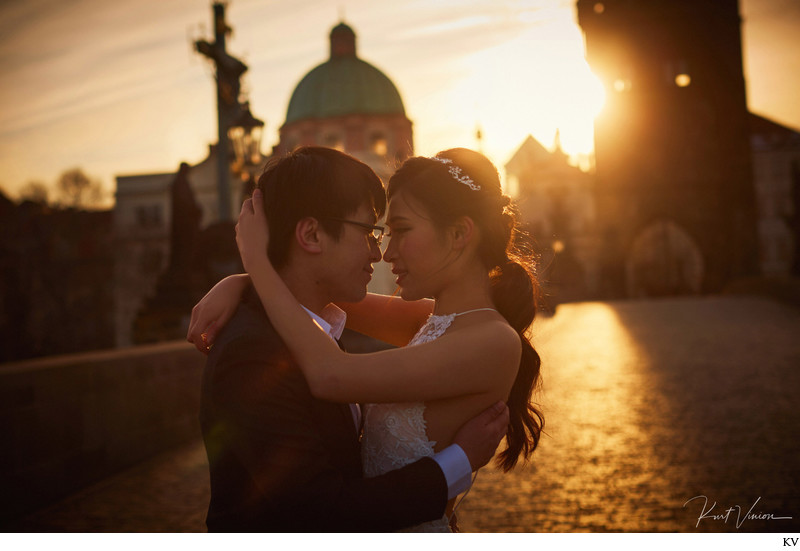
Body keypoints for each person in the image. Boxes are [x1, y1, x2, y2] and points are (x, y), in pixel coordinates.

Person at [190, 146, 510, 532]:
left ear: (460, 234)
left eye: (399, 231)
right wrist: (245, 279)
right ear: (311, 233)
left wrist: (257, 266)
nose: (383, 252)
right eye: (373, 232)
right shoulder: (255, 351)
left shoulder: (484, 336)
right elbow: (317, 509)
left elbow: (329, 371)